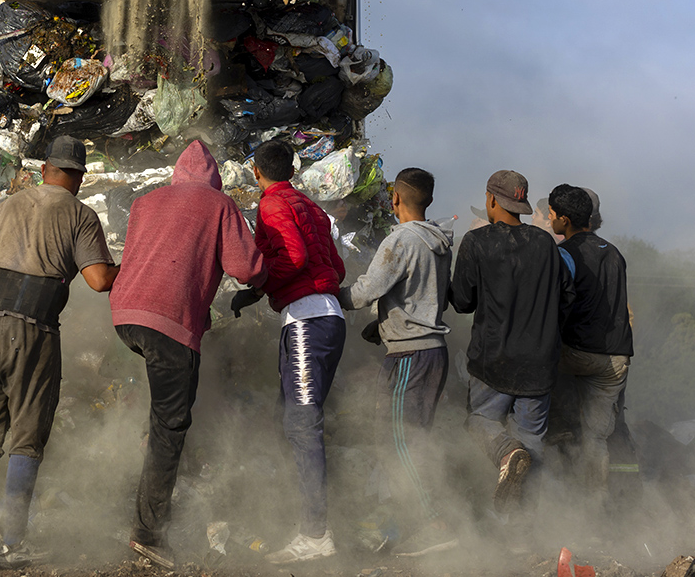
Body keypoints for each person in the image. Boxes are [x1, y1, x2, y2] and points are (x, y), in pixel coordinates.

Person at [0, 136, 120, 567]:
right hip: (31, 328)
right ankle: (13, 544)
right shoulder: (81, 215)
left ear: (44, 169)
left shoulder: (8, 205)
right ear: (80, 177)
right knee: (26, 438)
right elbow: (100, 281)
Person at [108, 140, 268, 568]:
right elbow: (246, 268)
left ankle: (129, 498)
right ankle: (148, 534)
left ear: (177, 173)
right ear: (213, 178)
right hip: (168, 322)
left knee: (160, 412)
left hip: (125, 314)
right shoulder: (219, 204)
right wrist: (267, 272)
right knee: (170, 427)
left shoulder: (146, 201)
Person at [230, 139, 346, 564]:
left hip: (306, 321)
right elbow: (337, 267)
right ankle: (296, 520)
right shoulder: (312, 208)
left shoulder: (272, 205)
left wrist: (260, 283)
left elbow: (293, 257)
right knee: (296, 419)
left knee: (301, 426)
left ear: (256, 172)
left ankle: (315, 534)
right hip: (329, 316)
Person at [337, 168, 456, 556]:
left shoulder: (400, 240)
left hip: (410, 354)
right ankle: (418, 522)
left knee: (398, 442)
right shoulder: (438, 241)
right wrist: (383, 324)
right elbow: (415, 295)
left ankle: (433, 524)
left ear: (395, 199)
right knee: (413, 439)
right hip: (430, 350)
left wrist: (320, 290)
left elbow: (364, 291)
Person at [449, 170, 574, 514]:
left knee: (480, 423)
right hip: (539, 364)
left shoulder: (477, 242)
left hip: (494, 361)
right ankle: (521, 529)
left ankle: (505, 451)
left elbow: (462, 302)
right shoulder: (546, 243)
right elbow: (566, 294)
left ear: (491, 199)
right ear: (520, 203)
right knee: (532, 445)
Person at [548, 184, 633, 510]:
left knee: (533, 382)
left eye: (553, 215)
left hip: (577, 354)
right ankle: (594, 507)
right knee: (596, 438)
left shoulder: (564, 252)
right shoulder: (613, 252)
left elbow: (559, 305)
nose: (551, 221)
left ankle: (551, 493)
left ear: (565, 220)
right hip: (615, 359)